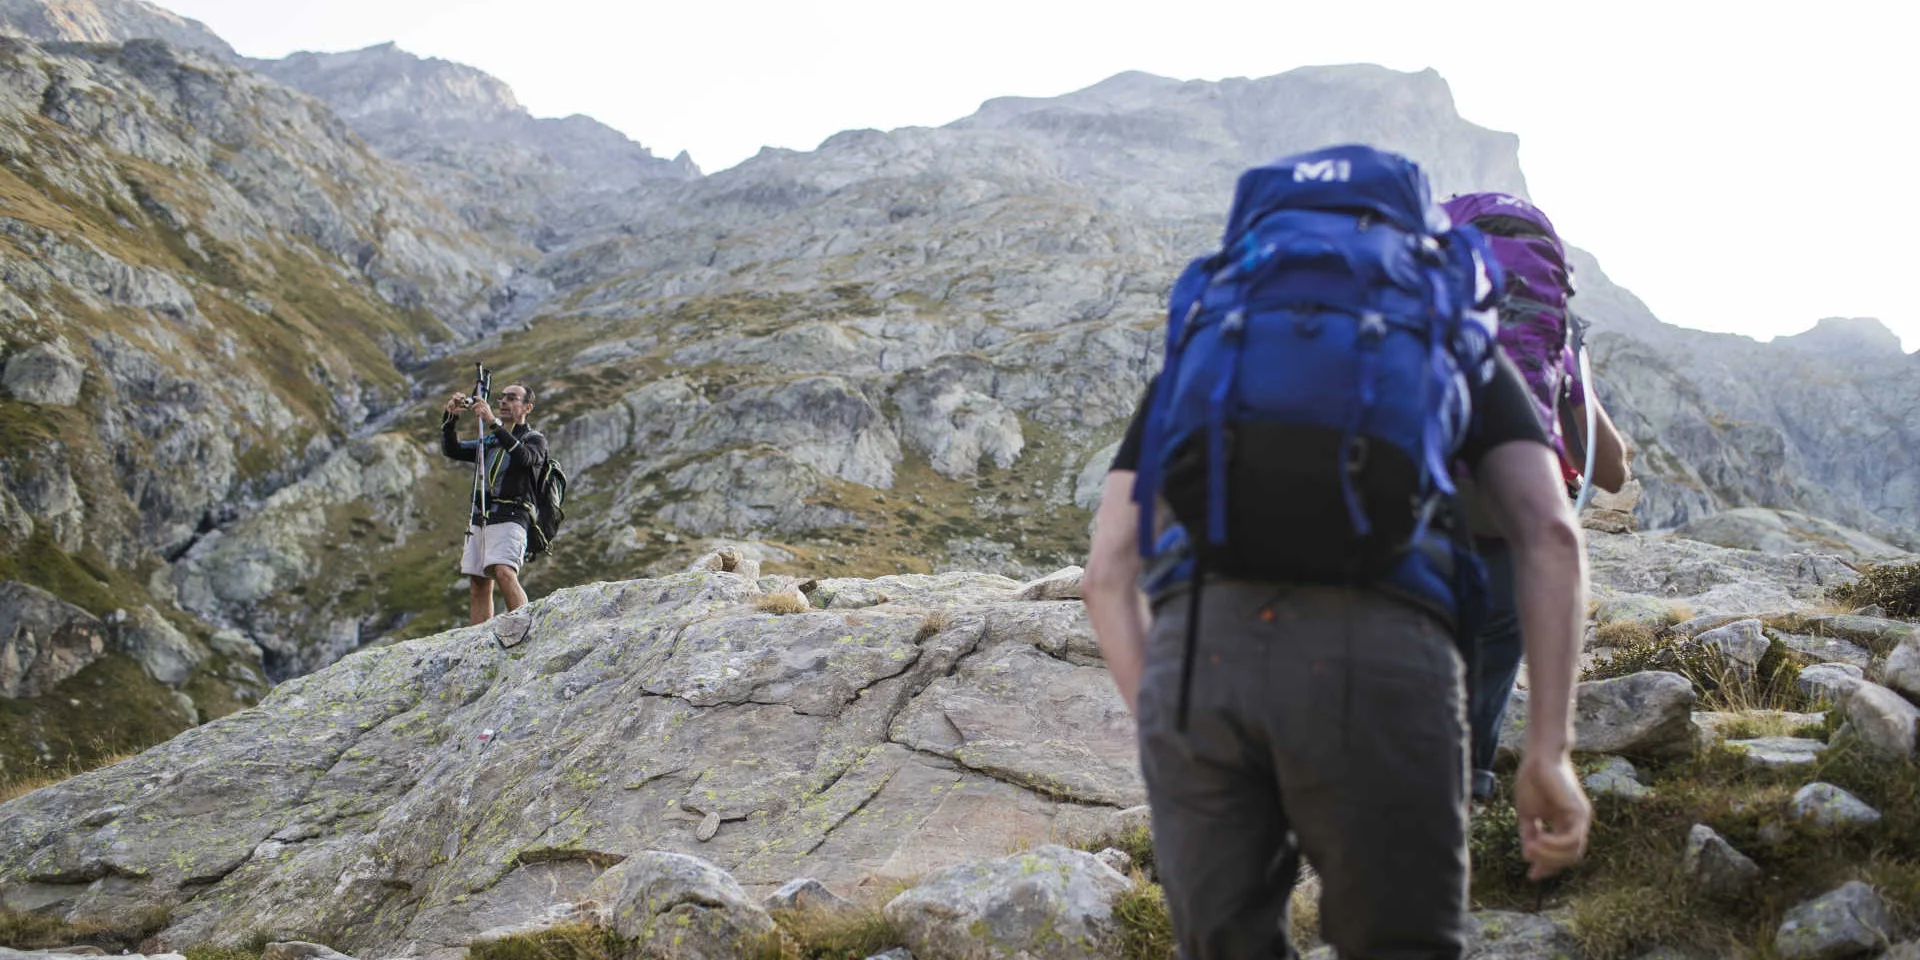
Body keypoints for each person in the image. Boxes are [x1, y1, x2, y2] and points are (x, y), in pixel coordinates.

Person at [1083, 151, 1593, 956]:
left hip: (1200, 666)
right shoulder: (1443, 331)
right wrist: (1548, 751)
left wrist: (1164, 724)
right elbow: (1550, 534)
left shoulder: (1213, 337)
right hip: (1384, 654)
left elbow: (1107, 572)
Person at [1439, 192, 1632, 804]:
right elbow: (1613, 472)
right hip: (1503, 539)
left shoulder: (1407, 320)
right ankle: (1468, 784)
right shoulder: (1555, 350)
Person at [441, 383, 547, 624]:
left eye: (512, 398)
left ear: (527, 407)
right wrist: (450, 418)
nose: (503, 403)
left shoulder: (534, 439)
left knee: (503, 571)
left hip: (512, 515)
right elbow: (453, 450)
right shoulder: (489, 441)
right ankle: (479, 640)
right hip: (482, 516)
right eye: (501, 398)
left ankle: (525, 628)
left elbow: (525, 458)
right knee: (478, 582)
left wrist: (492, 422)